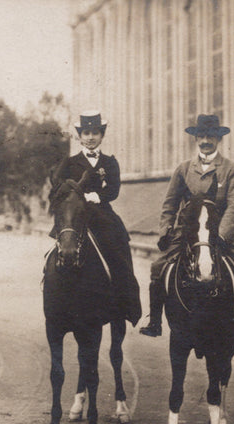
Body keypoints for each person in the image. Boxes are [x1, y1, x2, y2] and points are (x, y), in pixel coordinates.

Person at [139, 114, 234, 337]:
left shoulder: (231, 169)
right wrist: (165, 230)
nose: (206, 140)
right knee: (158, 267)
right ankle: (155, 321)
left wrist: (221, 235)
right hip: (188, 232)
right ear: (196, 139)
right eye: (201, 136)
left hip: (220, 231)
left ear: (218, 139)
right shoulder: (184, 169)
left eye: (211, 136)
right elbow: (169, 204)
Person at [49, 110, 141, 325]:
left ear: (102, 135)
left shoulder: (109, 163)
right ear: (79, 136)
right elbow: (57, 190)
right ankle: (55, 299)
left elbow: (114, 189)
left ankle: (125, 303)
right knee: (59, 249)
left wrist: (97, 196)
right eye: (86, 133)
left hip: (102, 215)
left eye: (95, 133)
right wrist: (72, 196)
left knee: (119, 249)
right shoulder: (69, 163)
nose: (90, 138)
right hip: (75, 216)